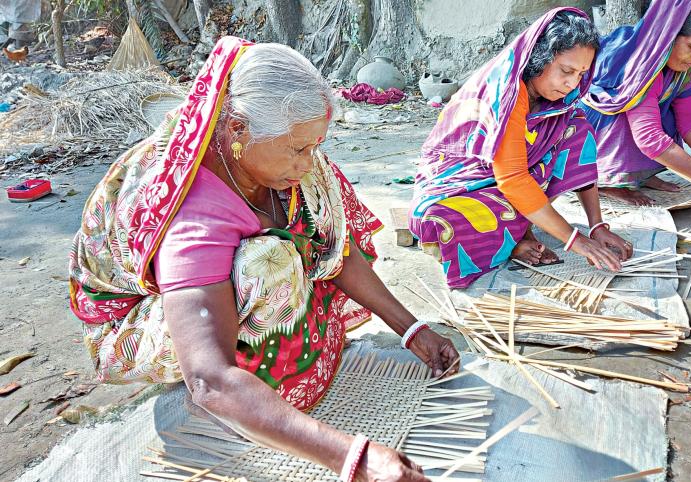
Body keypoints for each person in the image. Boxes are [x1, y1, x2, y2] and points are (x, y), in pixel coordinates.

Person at [68, 37, 458, 482]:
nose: (310, 163)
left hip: (229, 283)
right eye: (298, 150)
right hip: (136, 324)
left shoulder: (273, 154)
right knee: (266, 263)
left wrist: (412, 330)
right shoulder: (193, 209)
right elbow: (208, 376)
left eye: (314, 146)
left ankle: (275, 380)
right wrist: (355, 458)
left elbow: (334, 248)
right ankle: (252, 401)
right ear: (236, 128)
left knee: (303, 226)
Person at [409, 8, 632, 289]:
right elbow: (514, 180)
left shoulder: (557, 99)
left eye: (581, 73)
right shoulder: (506, 94)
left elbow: (540, 168)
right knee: (446, 223)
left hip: (508, 183)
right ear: (539, 59)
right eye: (566, 70)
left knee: (577, 125)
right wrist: (576, 241)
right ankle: (513, 240)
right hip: (458, 185)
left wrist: (596, 226)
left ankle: (518, 231)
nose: (572, 83)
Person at [582, 0, 691, 206]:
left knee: (664, 113)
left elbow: (690, 120)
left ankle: (638, 174)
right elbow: (648, 137)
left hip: (634, 118)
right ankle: (609, 179)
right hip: (593, 125)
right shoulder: (641, 65)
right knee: (632, 112)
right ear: (667, 36)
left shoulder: (690, 70)